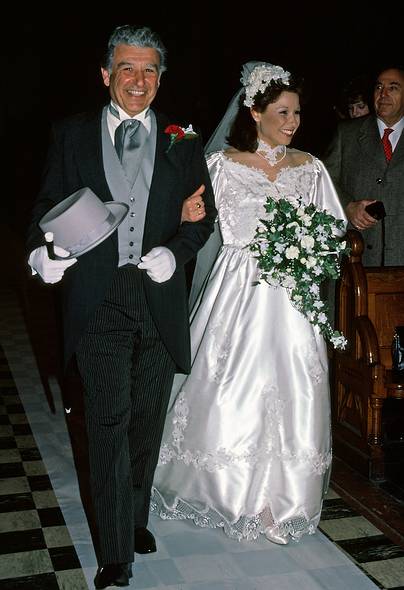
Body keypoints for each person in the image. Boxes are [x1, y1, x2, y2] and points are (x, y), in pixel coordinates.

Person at [26, 24, 216, 589]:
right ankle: (115, 552)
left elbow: (204, 220)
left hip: (157, 296)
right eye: (127, 69)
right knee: (107, 421)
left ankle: (132, 518)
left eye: (150, 70)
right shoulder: (72, 134)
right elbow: (44, 205)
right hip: (98, 297)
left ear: (161, 78)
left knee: (146, 422)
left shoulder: (183, 140)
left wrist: (176, 251)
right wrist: (43, 254)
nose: (139, 81)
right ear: (106, 74)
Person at [151, 61, 347, 545]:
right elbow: (192, 221)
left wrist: (307, 246)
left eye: (297, 112)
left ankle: (284, 497)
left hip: (293, 300)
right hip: (239, 292)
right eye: (282, 112)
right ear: (255, 111)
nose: (293, 122)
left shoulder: (312, 167)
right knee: (233, 386)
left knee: (295, 389)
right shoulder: (223, 165)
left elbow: (334, 229)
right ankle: (227, 489)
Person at [323, 65, 404, 267]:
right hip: (357, 259)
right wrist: (348, 206)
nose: (383, 94)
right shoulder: (347, 134)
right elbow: (323, 180)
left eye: (393, 87)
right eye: (378, 87)